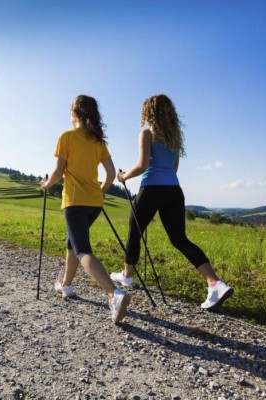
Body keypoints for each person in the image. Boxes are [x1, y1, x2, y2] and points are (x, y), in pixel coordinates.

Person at [112, 94, 233, 311]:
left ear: (148, 112)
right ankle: (215, 283)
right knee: (180, 239)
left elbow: (141, 165)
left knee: (134, 231)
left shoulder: (147, 133)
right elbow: (174, 168)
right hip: (174, 191)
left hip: (151, 188)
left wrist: (123, 177)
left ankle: (127, 276)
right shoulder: (174, 137)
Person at [42, 95, 131, 323]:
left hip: (74, 201)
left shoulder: (67, 137)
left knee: (82, 250)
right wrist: (100, 191)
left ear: (75, 114)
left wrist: (47, 184)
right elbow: (110, 175)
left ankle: (114, 294)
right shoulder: (99, 141)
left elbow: (58, 171)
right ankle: (66, 285)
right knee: (72, 243)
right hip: (95, 202)